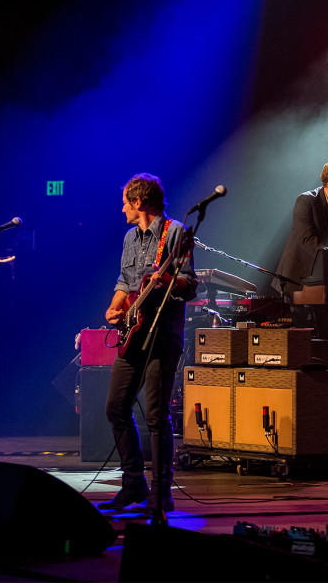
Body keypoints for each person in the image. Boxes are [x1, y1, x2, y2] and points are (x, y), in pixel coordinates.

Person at [100, 174, 198, 516]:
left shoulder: (176, 233)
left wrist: (167, 278)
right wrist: (115, 307)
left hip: (162, 335)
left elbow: (190, 285)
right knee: (115, 406)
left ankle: (161, 492)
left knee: (157, 415)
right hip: (134, 333)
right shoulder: (130, 237)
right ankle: (133, 484)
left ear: (139, 202)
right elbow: (125, 281)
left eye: (126, 201)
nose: (123, 208)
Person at [271, 160, 328, 335]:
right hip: (298, 278)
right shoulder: (306, 201)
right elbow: (307, 240)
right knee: (301, 336)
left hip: (327, 277)